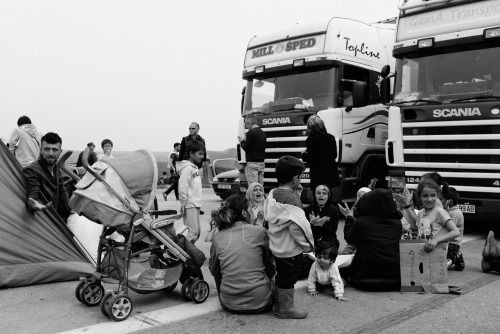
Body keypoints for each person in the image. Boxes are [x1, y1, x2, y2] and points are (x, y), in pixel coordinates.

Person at [264, 155, 314, 319]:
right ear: (295, 178)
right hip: (291, 249)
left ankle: (279, 305)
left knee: (282, 276)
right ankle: (286, 308)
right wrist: (306, 246)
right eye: (300, 176)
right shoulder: (293, 200)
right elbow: (296, 227)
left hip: (277, 246)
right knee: (289, 278)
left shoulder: (272, 194)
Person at [209, 194, 276, 314]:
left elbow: (214, 271)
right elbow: (271, 267)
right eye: (251, 209)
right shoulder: (260, 232)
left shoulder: (218, 237)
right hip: (262, 302)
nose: (253, 212)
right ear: (244, 213)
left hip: (229, 304)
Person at [342, 188, 404, 291]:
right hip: (394, 277)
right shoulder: (397, 223)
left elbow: (350, 240)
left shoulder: (362, 221)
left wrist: (349, 218)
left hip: (363, 277)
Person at [400, 180, 460, 253]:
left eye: (433, 195)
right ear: (420, 197)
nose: (429, 199)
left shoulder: (440, 212)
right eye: (425, 196)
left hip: (437, 256)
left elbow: (456, 232)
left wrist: (436, 240)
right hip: (423, 253)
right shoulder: (421, 213)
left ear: (437, 196)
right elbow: (417, 229)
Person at [23, 132, 71, 221]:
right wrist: (34, 204)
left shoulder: (56, 168)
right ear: (40, 150)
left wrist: (72, 210)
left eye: (55, 150)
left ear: (60, 151)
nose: (51, 153)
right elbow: (32, 196)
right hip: (40, 222)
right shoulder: (32, 170)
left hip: (54, 218)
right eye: (47, 149)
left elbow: (61, 191)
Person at [302, 115, 341, 204]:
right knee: (328, 195)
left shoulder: (310, 139)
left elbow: (311, 158)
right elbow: (334, 155)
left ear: (310, 127)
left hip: (318, 173)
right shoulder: (331, 137)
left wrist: (303, 154)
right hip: (330, 172)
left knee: (318, 197)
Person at [177, 139, 204, 244]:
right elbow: (182, 187)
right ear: (191, 153)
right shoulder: (188, 168)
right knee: (192, 232)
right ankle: (184, 255)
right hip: (190, 204)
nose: (202, 157)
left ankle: (191, 252)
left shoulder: (194, 168)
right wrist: (183, 204)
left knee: (196, 232)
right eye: (200, 154)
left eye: (203, 154)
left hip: (196, 204)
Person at [179, 123, 206, 214]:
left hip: (198, 166)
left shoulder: (202, 140)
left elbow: (203, 153)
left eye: (193, 128)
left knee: (196, 186)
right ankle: (186, 206)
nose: (190, 129)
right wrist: (179, 166)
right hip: (187, 164)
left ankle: (197, 206)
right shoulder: (185, 139)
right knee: (186, 185)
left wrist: (202, 165)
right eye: (189, 128)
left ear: (198, 129)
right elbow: (181, 153)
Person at [238, 114, 266, 186]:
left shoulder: (250, 133)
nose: (245, 125)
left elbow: (247, 148)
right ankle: (261, 197)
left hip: (252, 163)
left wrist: (241, 142)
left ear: (249, 122)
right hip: (261, 163)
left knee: (253, 187)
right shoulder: (262, 133)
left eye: (246, 123)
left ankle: (253, 198)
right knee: (260, 187)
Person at [442, 184, 465, 271]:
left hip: (452, 244)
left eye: (442, 199)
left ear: (449, 201)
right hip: (451, 243)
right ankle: (454, 257)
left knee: (442, 265)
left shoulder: (453, 213)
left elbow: (448, 230)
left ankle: (456, 257)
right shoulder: (453, 211)